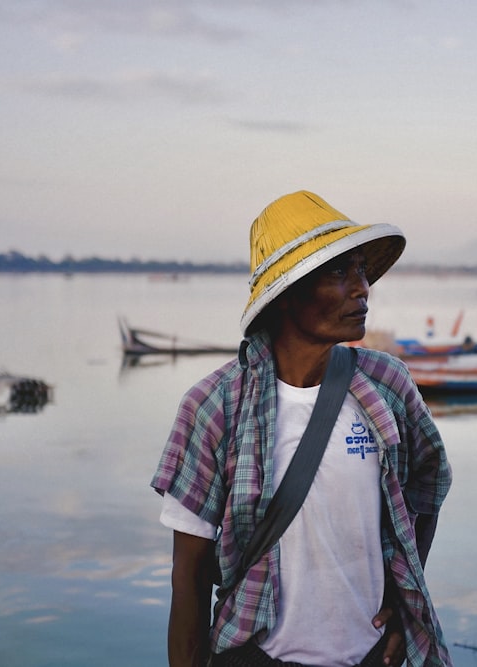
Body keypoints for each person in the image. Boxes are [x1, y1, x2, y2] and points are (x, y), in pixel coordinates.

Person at [151, 191, 453, 667]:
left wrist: (404, 597)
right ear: (288, 293)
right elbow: (187, 579)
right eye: (339, 271)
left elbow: (427, 489)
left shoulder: (386, 384)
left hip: (372, 657)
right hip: (257, 656)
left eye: (361, 270)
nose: (362, 287)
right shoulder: (215, 408)